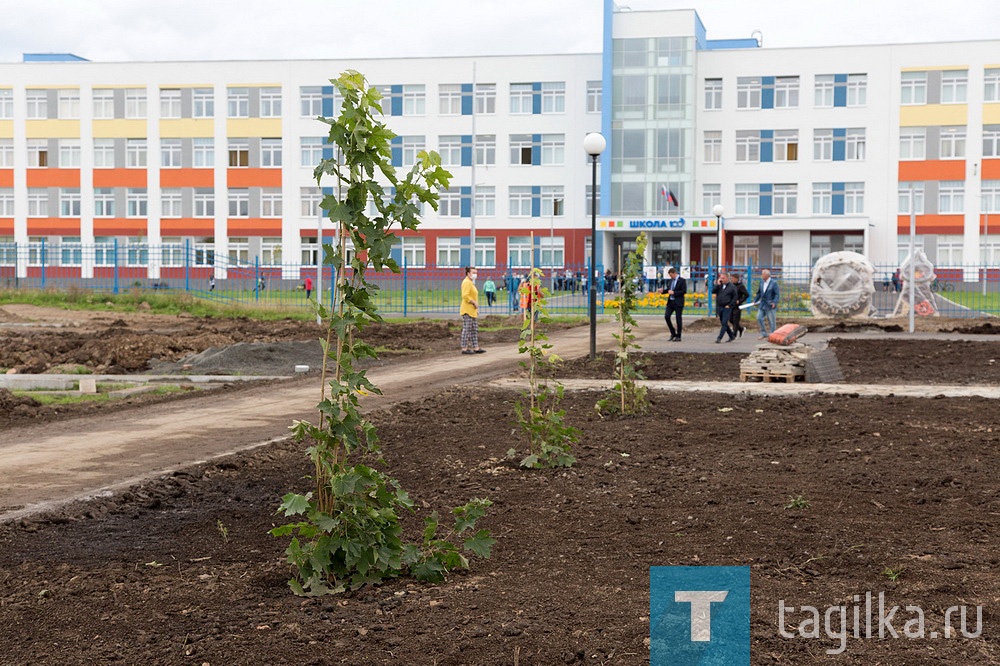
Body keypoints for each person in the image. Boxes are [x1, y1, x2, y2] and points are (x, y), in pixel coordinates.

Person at [460, 266, 485, 355]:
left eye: (476, 273)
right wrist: (473, 302)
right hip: (467, 310)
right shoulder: (466, 282)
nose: (475, 274)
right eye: (473, 273)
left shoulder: (471, 283)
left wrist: (476, 308)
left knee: (474, 329)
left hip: (472, 310)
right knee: (467, 329)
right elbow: (465, 296)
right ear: (468, 273)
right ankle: (464, 348)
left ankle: (476, 347)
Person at [660, 267, 686, 342]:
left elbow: (684, 291)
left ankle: (679, 335)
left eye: (671, 275)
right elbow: (669, 290)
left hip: (678, 302)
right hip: (671, 302)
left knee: (678, 319)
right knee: (666, 316)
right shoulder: (671, 281)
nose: (670, 277)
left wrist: (674, 293)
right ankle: (673, 333)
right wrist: (662, 291)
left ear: (675, 273)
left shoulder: (682, 281)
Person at [712, 271, 737, 343]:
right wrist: (717, 284)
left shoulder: (732, 287)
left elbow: (735, 297)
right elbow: (713, 291)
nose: (721, 279)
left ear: (727, 278)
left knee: (724, 322)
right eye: (720, 278)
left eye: (723, 278)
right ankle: (731, 336)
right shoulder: (720, 286)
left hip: (727, 307)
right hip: (720, 306)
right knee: (723, 323)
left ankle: (719, 338)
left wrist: (729, 305)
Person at [755, 268, 780, 339]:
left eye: (763, 274)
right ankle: (764, 333)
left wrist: (774, 302)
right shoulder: (761, 282)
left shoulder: (774, 283)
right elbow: (759, 292)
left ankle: (773, 334)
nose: (761, 275)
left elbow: (777, 294)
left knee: (772, 321)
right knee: (759, 318)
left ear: (767, 275)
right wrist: (756, 300)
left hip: (770, 304)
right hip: (762, 304)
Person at [729, 272, 749, 338]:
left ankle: (734, 334)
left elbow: (746, 295)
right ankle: (741, 329)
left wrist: (740, 301)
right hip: (731, 304)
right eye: (731, 278)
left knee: (735, 319)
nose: (732, 280)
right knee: (730, 319)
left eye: (733, 278)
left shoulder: (741, 286)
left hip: (737, 306)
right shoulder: (730, 285)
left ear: (737, 279)